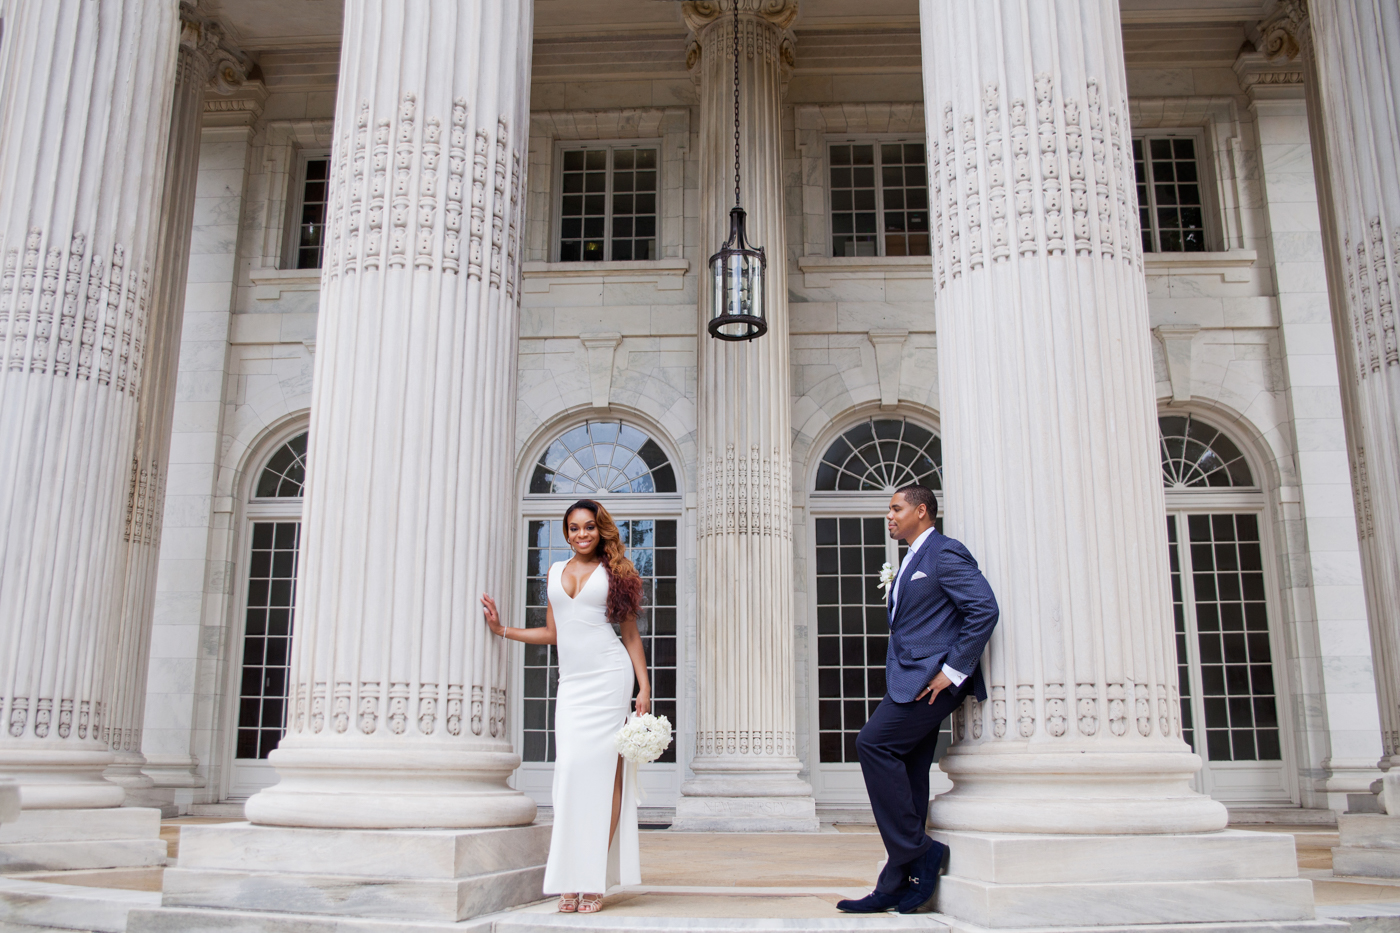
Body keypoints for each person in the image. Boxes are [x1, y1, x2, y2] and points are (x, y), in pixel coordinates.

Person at [837, 483, 999, 915]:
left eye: (896, 508)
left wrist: (953, 671)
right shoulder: (910, 559)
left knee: (872, 743)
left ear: (922, 511)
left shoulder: (944, 553)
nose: (889, 516)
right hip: (908, 680)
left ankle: (920, 851)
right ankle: (896, 882)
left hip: (932, 682)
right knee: (909, 774)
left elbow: (983, 608)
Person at [482, 499, 650, 914]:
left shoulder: (617, 573)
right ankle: (569, 876)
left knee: (606, 776)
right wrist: (502, 630)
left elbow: (629, 635)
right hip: (573, 685)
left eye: (589, 527)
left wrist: (644, 688)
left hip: (610, 678)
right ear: (565, 533)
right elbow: (553, 633)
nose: (582, 535)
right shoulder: (555, 572)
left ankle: (591, 880)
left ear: (600, 530)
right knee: (571, 775)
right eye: (574, 528)